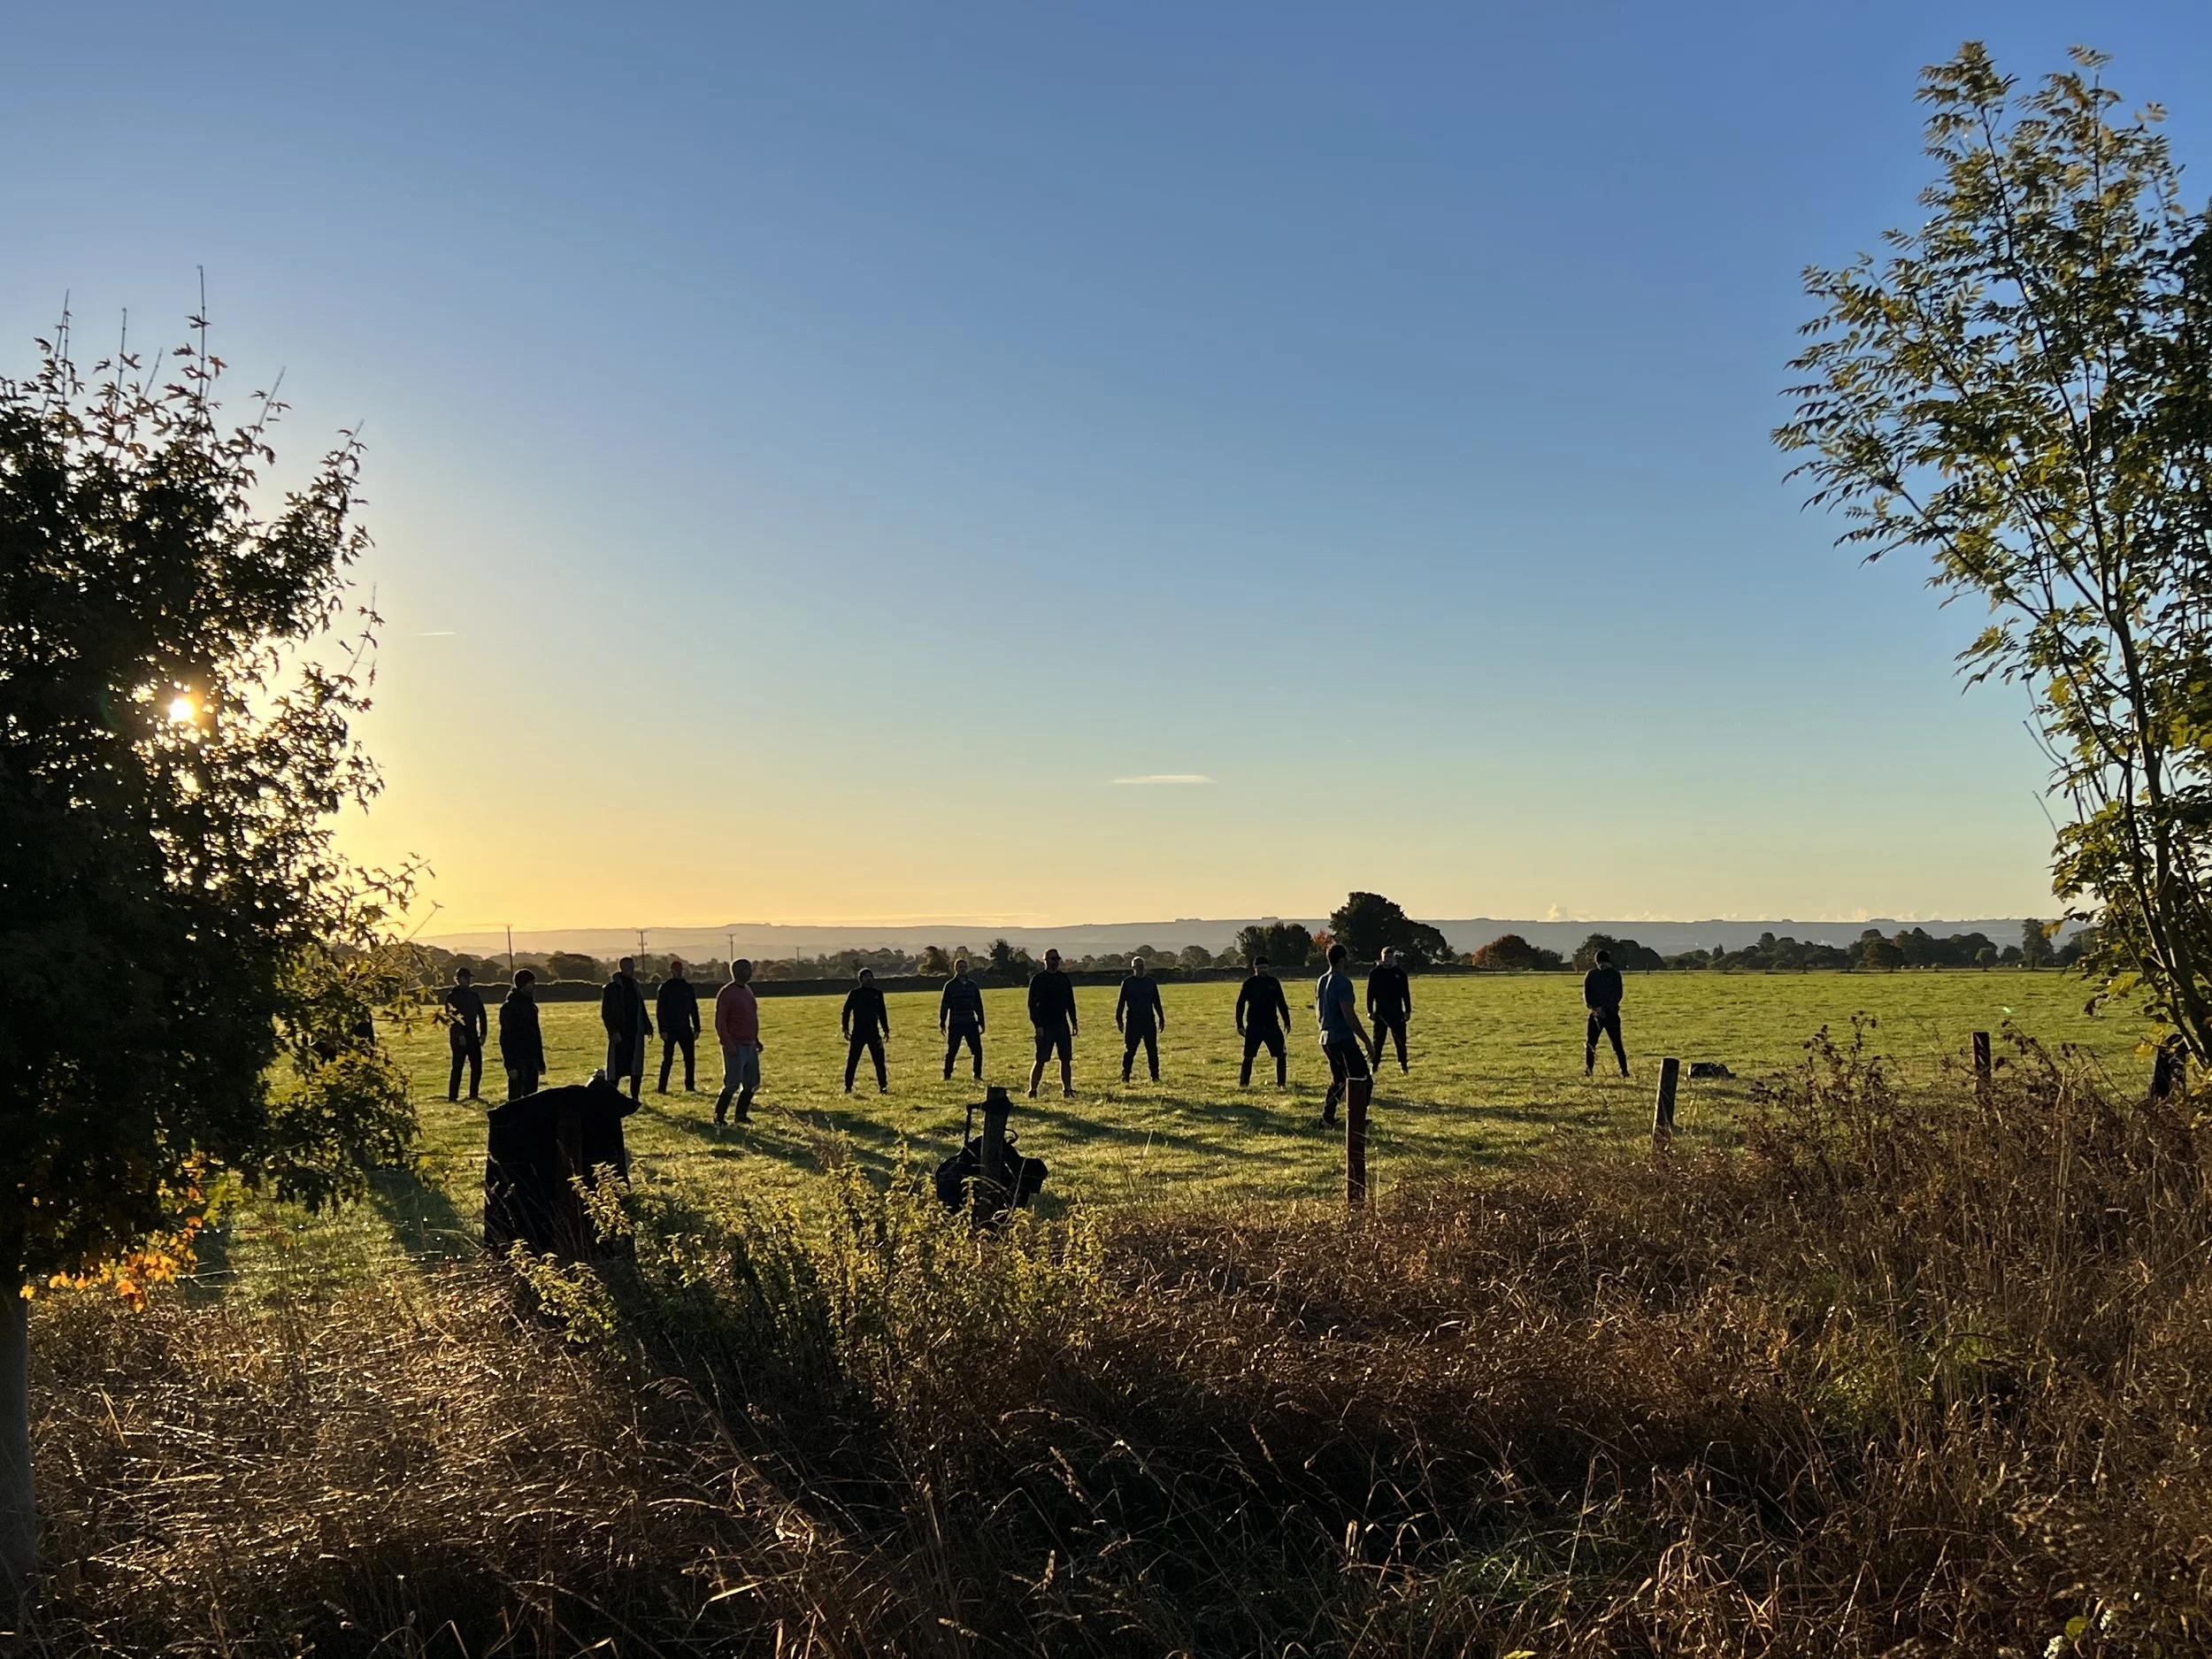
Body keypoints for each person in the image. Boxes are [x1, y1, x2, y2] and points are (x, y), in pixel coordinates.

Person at [1315, 943, 1373, 1128]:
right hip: (1342, 1038)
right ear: (1342, 960)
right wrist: (1366, 1041)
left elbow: (1319, 1011)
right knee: (1363, 1079)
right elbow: (1349, 1014)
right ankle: (1356, 1120)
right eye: (1346, 957)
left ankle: (1327, 1117)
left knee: (1339, 1080)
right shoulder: (1343, 982)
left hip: (1326, 1037)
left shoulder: (1321, 980)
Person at [714, 959, 762, 1125]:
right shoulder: (727, 992)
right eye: (747, 969)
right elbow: (720, 1021)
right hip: (735, 1045)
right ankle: (719, 1116)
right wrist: (727, 1043)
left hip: (750, 1044)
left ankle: (740, 1115)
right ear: (738, 971)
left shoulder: (748, 990)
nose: (750, 972)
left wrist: (756, 1040)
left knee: (752, 1082)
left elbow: (751, 1017)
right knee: (733, 1083)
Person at [1026, 948, 1079, 1099]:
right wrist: (1038, 1026)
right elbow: (1031, 1005)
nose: (1055, 962)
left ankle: (1067, 1089)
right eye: (1052, 959)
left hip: (1062, 1025)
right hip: (1045, 1026)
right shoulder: (1038, 980)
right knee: (1040, 1059)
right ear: (1045, 961)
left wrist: (1074, 1022)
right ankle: (1033, 1089)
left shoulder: (1063, 978)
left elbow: (1070, 1001)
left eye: (1057, 959)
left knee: (1066, 1059)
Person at [599, 957, 653, 1102]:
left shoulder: (635, 986)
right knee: (616, 1068)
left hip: (635, 1033)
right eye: (629, 967)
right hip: (619, 1034)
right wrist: (613, 1031)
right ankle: (610, 1098)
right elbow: (606, 1013)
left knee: (636, 1067)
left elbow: (641, 1007)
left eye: (633, 967)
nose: (632, 970)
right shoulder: (611, 988)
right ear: (622, 968)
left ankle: (635, 1097)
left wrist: (648, 1026)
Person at [1235, 953, 1293, 1087]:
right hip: (1254, 1026)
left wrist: (1287, 1022)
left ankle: (1281, 1084)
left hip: (1272, 1025)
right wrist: (1240, 1024)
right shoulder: (1249, 984)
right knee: (1248, 1056)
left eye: (1265, 968)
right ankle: (1244, 1084)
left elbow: (1281, 1003)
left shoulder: (1274, 983)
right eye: (1260, 968)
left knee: (1281, 1055)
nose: (1263, 971)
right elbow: (1240, 1004)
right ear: (1255, 968)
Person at [1115, 956, 1165, 1083]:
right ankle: (1126, 1075)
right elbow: (1121, 1002)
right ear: (1132, 968)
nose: (1139, 969)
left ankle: (1155, 1076)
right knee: (1130, 1050)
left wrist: (1161, 1018)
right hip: (1133, 1021)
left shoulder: (1150, 982)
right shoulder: (1127, 983)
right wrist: (1119, 1019)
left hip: (1149, 1020)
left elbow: (1156, 1002)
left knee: (1152, 1050)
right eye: (1137, 966)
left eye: (1141, 966)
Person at [656, 958, 702, 1094]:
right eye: (677, 970)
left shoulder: (687, 987)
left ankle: (690, 1086)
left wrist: (697, 1027)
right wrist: (662, 1029)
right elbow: (660, 1011)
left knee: (689, 1059)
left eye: (680, 970)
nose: (679, 972)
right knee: (667, 1059)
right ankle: (662, 1087)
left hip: (685, 1027)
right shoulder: (665, 988)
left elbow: (694, 1008)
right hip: (670, 1029)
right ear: (672, 971)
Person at [842, 967, 891, 1094]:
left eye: (870, 976)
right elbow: (846, 1012)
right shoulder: (854, 994)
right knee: (852, 1061)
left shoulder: (877, 994)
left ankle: (883, 1086)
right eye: (866, 976)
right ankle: (848, 1086)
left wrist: (886, 1030)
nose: (869, 978)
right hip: (858, 1033)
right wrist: (845, 1029)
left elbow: (882, 1013)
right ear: (861, 979)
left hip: (873, 1032)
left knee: (879, 1062)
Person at [443, 966, 488, 1102]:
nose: (468, 980)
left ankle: (473, 1095)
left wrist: (483, 1034)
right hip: (458, 1038)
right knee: (457, 1067)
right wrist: (460, 1035)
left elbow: (482, 1014)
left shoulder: (474, 996)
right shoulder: (452, 996)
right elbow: (451, 1017)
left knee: (477, 1067)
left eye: (469, 978)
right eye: (466, 978)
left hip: (473, 1035)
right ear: (458, 979)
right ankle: (453, 1097)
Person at [498, 970, 545, 1100]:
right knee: (516, 1099)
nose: (533, 986)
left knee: (531, 1097)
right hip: (517, 1059)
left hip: (531, 1059)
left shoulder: (531, 1007)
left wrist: (540, 1062)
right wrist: (510, 1065)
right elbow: (506, 1038)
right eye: (530, 983)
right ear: (522, 984)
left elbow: (536, 1035)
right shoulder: (509, 1008)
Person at [1366, 947, 1413, 1073]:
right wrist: (1370, 1010)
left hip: (1397, 1012)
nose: (1387, 959)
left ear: (1394, 958)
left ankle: (1403, 1066)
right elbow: (1370, 994)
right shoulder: (1375, 973)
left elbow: (1406, 993)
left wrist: (1408, 1010)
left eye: (1390, 957)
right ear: (1381, 956)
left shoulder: (1400, 974)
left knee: (1401, 1041)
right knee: (1378, 1041)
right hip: (1380, 1012)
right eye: (1385, 956)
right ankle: (1374, 1066)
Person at [940, 956, 987, 1080]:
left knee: (978, 1051)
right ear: (956, 969)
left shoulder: (973, 986)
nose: (963, 969)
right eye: (960, 967)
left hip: (971, 1022)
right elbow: (944, 1005)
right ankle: (947, 1074)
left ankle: (977, 1075)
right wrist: (942, 1022)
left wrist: (982, 1022)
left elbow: (978, 1005)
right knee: (952, 1051)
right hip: (956, 1023)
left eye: (965, 967)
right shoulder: (950, 986)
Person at [1584, 949, 1628, 1078]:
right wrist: (1597, 1008)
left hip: (1609, 1014)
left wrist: (1601, 1008)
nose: (1601, 965)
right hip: (1599, 1014)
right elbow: (1587, 996)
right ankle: (1589, 1070)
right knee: (1591, 1044)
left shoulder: (1614, 975)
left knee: (1616, 1044)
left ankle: (1624, 1070)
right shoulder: (1592, 975)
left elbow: (1617, 995)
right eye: (1599, 962)